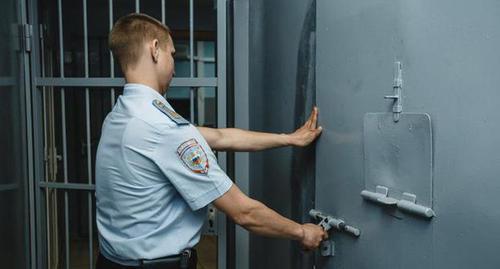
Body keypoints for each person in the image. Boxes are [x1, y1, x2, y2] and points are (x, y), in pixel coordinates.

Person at [95, 13, 327, 269]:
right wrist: (302, 232)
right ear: (155, 50)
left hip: (110, 262)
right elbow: (244, 212)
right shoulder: (164, 129)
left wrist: (289, 139)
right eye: (172, 54)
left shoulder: (120, 116)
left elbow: (220, 136)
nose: (173, 66)